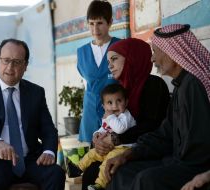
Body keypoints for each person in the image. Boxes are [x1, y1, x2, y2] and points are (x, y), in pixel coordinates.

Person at [105, 24, 210, 190]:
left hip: (195, 168)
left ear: (174, 53)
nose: (152, 59)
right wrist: (128, 155)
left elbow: (198, 150)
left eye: (155, 52)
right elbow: (165, 134)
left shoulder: (193, 86)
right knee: (122, 171)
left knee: (147, 180)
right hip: (176, 161)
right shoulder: (181, 86)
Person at [0, 39, 65, 190]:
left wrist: (49, 151)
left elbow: (48, 130)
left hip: (30, 160)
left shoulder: (36, 93)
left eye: (17, 62)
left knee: (56, 173)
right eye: (6, 60)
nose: (10, 67)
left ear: (25, 66)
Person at [81, 38, 170, 189]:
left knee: (108, 171)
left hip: (143, 151)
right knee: (91, 169)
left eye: (114, 59)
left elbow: (151, 126)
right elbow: (107, 121)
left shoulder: (153, 85)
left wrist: (117, 139)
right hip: (118, 148)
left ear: (132, 58)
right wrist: (98, 140)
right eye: (108, 61)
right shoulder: (121, 89)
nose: (110, 66)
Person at [68, 83, 136, 190]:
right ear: (103, 106)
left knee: (107, 162)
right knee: (91, 153)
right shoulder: (109, 117)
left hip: (123, 149)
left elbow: (120, 129)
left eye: (119, 101)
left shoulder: (126, 116)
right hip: (110, 148)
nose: (114, 106)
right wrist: (96, 134)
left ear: (126, 102)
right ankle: (78, 168)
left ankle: (99, 184)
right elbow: (103, 128)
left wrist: (110, 116)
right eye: (110, 102)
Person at [77, 0, 120, 143]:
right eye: (91, 23)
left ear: (110, 22)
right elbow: (86, 82)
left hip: (115, 116)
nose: (95, 29)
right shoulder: (81, 52)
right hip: (89, 116)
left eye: (100, 23)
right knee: (87, 161)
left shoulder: (120, 47)